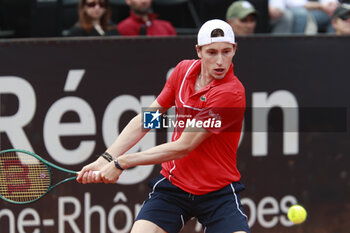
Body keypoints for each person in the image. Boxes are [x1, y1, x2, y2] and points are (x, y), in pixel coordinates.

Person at [77, 19, 250, 233]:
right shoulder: (183, 72)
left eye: (226, 51)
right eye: (211, 52)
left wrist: (122, 162)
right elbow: (147, 120)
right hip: (174, 187)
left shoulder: (230, 93)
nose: (220, 61)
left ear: (234, 49)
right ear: (199, 51)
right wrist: (106, 158)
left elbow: (183, 146)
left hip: (217, 192)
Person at [269, 0, 339, 34]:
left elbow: (330, 2)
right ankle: (298, 48)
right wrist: (320, 5)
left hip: (319, 12)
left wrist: (332, 5)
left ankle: (335, 49)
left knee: (337, 15)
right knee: (301, 15)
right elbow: (294, 4)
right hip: (294, 12)